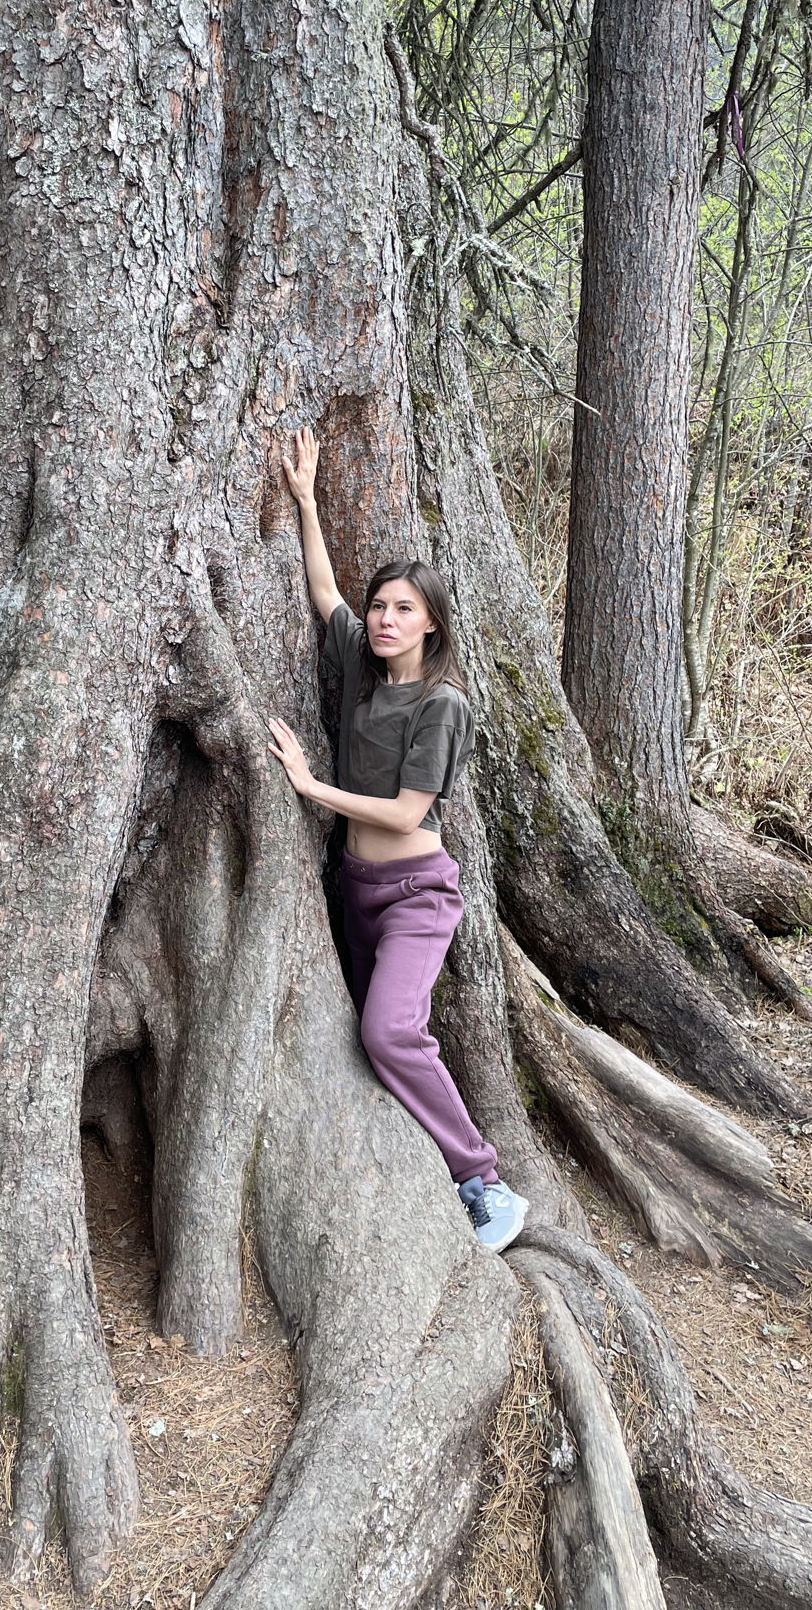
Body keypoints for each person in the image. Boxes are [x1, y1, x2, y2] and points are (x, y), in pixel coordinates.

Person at [266, 427, 528, 1252]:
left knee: (390, 1032)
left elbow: (412, 813)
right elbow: (323, 594)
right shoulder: (360, 667)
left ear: (431, 625)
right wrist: (307, 501)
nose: (383, 619)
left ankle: (483, 1181)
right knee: (356, 1034)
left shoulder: (440, 705)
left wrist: (313, 787)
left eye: (402, 610)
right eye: (381, 606)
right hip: (353, 891)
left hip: (417, 896)